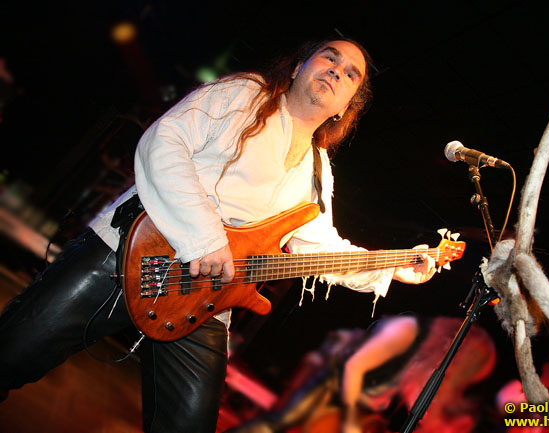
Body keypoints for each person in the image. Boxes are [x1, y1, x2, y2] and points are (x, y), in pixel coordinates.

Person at [0, 38, 439, 433]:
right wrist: (205, 239)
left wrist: (392, 266)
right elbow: (165, 142)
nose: (336, 71)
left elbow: (319, 247)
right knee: (11, 355)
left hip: (206, 302)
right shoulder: (246, 95)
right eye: (329, 58)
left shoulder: (319, 171)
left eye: (350, 74)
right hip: (129, 252)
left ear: (346, 107)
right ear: (297, 67)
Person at [227, 314, 497, 433]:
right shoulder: (407, 330)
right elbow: (354, 368)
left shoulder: (427, 360)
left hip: (356, 405)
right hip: (334, 384)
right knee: (278, 423)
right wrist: (351, 423)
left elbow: (408, 397)